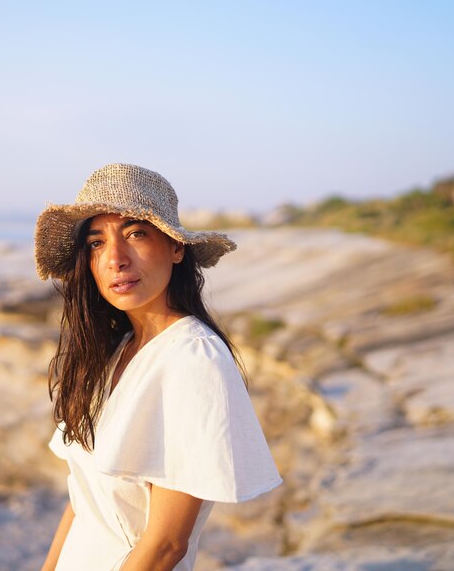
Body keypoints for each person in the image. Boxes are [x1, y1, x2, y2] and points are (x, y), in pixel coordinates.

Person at [34, 163, 282, 571]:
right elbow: (82, 504)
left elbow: (167, 544)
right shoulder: (115, 352)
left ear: (176, 247)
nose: (116, 259)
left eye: (135, 234)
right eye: (97, 243)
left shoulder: (193, 358)